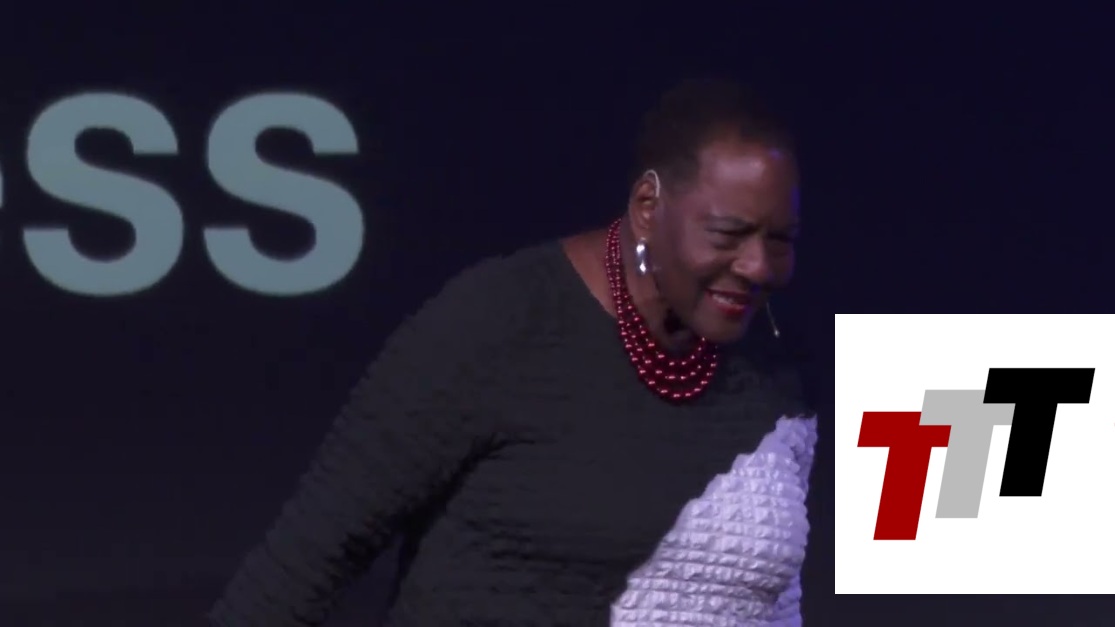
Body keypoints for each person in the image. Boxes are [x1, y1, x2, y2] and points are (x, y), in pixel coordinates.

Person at [209, 77, 816, 626]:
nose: (758, 265)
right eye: (728, 234)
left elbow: (779, 605)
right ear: (647, 207)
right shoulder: (500, 321)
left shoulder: (778, 370)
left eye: (781, 240)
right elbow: (301, 567)